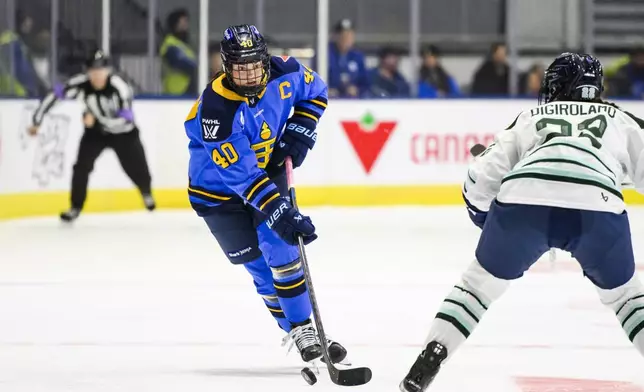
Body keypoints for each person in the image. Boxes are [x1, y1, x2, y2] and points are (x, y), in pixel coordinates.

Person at [400, 53, 644, 392]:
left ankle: (432, 354)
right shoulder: (621, 119)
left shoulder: (533, 115)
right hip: (597, 204)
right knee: (627, 298)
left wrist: (483, 216)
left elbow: (481, 178)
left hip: (524, 197)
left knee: (476, 288)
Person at [184, 24, 348, 364]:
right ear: (225, 66)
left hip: (266, 171)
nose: (247, 75)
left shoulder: (285, 70)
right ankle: (294, 327)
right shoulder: (216, 111)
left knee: (283, 249)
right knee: (258, 267)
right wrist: (280, 211)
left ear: (265, 60)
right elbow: (242, 178)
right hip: (217, 195)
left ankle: (304, 328)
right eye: (239, 68)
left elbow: (315, 91)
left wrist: (300, 130)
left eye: (253, 65)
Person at [28, 50, 155, 222]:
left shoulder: (120, 86)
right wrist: (37, 120)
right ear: (87, 72)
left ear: (109, 70)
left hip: (124, 134)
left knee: (136, 166)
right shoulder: (81, 83)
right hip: (95, 134)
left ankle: (146, 191)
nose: (97, 75)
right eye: (93, 71)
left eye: (101, 70)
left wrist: (97, 120)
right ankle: (75, 207)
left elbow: (127, 120)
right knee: (81, 167)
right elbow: (54, 95)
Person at [319, 18, 367, 98]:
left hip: (354, 101)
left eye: (349, 35)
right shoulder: (325, 55)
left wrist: (357, 89)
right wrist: (327, 89)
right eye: (343, 35)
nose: (347, 39)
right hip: (330, 100)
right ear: (336, 36)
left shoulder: (358, 56)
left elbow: (365, 82)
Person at [0, 11, 44, 97]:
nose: (29, 28)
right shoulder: (13, 43)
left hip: (8, 93)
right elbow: (24, 72)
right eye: (27, 25)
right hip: (18, 93)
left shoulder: (11, 41)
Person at [160, 8, 197, 96]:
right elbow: (182, 63)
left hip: (187, 90)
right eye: (182, 23)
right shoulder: (170, 43)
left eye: (186, 22)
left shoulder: (185, 45)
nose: (185, 26)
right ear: (174, 24)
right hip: (175, 91)